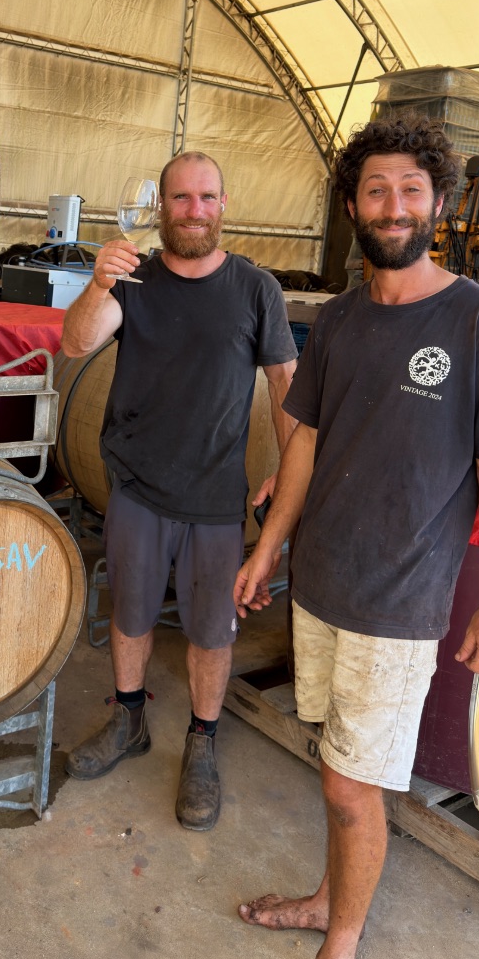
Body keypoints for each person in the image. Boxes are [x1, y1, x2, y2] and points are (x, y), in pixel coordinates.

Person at [233, 113, 479, 959]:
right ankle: (333, 900)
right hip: (322, 585)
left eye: (409, 190)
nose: (392, 206)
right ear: (354, 208)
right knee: (335, 768)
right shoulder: (341, 321)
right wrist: (267, 548)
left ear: (435, 203)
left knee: (352, 788)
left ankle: (343, 940)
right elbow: (306, 443)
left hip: (397, 606)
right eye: (375, 190)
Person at [61, 150, 298, 831]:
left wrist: (289, 465)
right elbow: (76, 345)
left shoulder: (256, 289)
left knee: (210, 629)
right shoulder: (133, 281)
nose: (194, 210)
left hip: (218, 494)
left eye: (206, 198)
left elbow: (286, 384)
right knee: (131, 614)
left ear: (224, 207)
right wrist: (97, 284)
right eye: (181, 198)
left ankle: (201, 741)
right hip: (136, 485)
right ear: (162, 207)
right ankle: (129, 720)